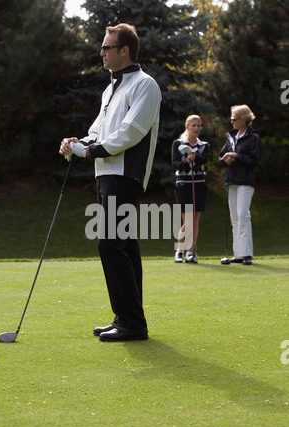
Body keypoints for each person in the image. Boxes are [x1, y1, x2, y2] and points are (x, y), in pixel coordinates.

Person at [59, 23, 162, 341]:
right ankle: (128, 318)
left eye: (106, 47)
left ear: (124, 51)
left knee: (111, 244)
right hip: (106, 174)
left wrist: (90, 149)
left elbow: (131, 132)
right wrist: (77, 143)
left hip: (125, 174)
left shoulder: (145, 85)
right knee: (125, 246)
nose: (101, 53)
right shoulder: (110, 88)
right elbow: (98, 132)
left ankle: (131, 323)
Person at [219, 105, 262, 265]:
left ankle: (246, 254)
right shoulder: (231, 136)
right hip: (232, 181)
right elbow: (221, 155)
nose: (231, 122)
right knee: (235, 218)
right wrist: (226, 159)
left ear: (244, 120)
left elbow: (255, 160)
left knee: (243, 216)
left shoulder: (254, 138)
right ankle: (238, 254)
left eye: (234, 119)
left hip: (245, 181)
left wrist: (237, 155)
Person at [171, 115, 210, 263]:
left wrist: (194, 157)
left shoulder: (204, 145)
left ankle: (189, 253)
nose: (196, 128)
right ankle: (180, 250)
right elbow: (175, 165)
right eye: (193, 125)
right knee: (189, 221)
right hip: (184, 185)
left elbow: (204, 159)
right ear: (187, 127)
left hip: (199, 184)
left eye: (199, 126)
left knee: (196, 220)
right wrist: (187, 161)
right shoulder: (178, 143)